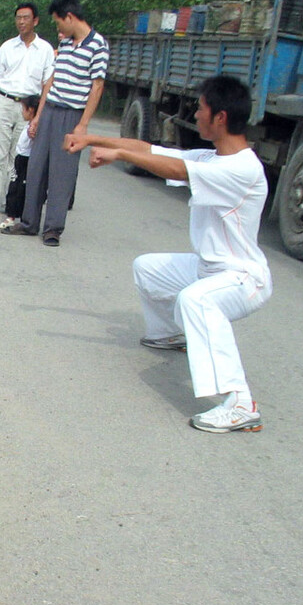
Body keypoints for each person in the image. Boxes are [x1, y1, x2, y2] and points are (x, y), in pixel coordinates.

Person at [67, 76, 271, 432]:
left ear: (220, 117)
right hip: (210, 269)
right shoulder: (214, 156)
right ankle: (170, 334)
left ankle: (240, 402)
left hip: (242, 279)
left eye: (202, 109)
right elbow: (150, 150)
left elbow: (177, 169)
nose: (196, 114)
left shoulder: (243, 168)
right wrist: (92, 139)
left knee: (197, 302)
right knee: (148, 268)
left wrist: (117, 154)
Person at [5, 0, 108, 246]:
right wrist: (38, 115)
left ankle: (53, 228)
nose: (58, 27)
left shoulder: (98, 45)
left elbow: (97, 86)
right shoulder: (63, 45)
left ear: (70, 17)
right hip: (50, 109)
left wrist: (82, 124)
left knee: (62, 173)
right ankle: (29, 222)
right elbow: (52, 80)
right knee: (36, 166)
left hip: (72, 114)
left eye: (58, 22)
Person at [0, 3, 54, 217]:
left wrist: (38, 115)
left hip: (28, 106)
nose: (21, 22)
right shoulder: (7, 47)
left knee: (18, 155)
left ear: (35, 21)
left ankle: (10, 201)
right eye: (18, 18)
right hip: (4, 101)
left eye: (26, 18)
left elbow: (47, 83)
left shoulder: (45, 50)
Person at [0, 93, 40, 232]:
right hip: (20, 157)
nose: (21, 112)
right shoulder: (29, 125)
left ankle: (12, 217)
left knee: (17, 188)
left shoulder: (33, 128)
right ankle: (13, 214)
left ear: (30, 111)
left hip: (25, 160)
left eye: (23, 109)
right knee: (14, 186)